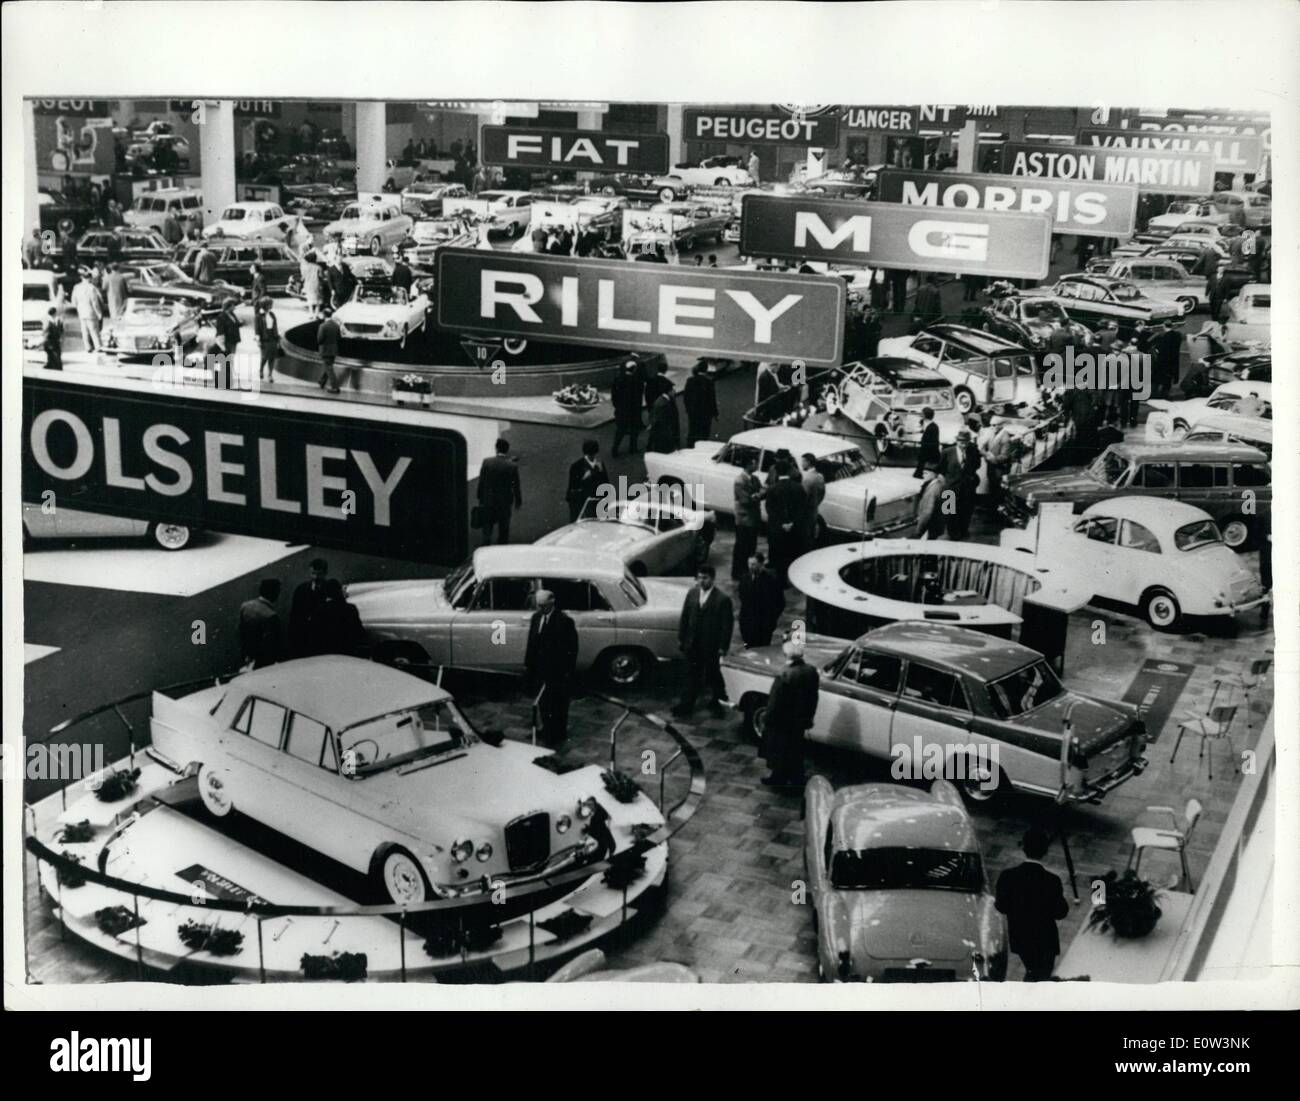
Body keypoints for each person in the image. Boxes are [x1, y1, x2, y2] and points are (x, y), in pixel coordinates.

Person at [995, 826, 1070, 981]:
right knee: (1040, 975)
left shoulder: (1007, 876)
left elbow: (1001, 906)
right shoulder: (1052, 881)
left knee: (1032, 970)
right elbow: (1061, 912)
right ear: (1046, 851)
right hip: (1045, 940)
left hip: (1021, 937)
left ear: (1023, 847)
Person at [672, 565, 734, 720]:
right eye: (699, 577)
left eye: (705, 578)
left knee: (713, 675)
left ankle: (718, 701)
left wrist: (722, 647)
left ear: (712, 579)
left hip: (711, 646)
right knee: (691, 675)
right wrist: (682, 637)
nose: (701, 581)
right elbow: (685, 616)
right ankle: (686, 705)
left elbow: (727, 626)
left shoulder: (722, 599)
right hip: (693, 644)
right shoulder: (692, 593)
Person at [761, 638, 820, 787]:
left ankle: (778, 778)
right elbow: (813, 697)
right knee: (795, 749)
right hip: (799, 719)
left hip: (782, 721)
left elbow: (775, 702)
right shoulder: (811, 671)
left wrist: (767, 719)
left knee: (780, 750)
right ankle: (796, 778)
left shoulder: (784, 675)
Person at [524, 589, 579, 745]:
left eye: (543, 606)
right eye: (538, 606)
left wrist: (567, 671)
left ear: (551, 603)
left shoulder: (564, 622)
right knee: (543, 702)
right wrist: (528, 664)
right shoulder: (536, 618)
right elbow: (531, 642)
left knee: (558, 704)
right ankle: (547, 728)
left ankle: (558, 733)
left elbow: (572, 649)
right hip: (539, 669)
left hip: (557, 672)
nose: (541, 609)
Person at [765, 459, 808, 584]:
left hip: (778, 528)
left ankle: (781, 580)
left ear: (777, 472)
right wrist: (792, 522)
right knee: (792, 552)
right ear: (789, 471)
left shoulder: (772, 489)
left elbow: (769, 509)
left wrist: (781, 523)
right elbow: (802, 508)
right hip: (795, 527)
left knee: (779, 553)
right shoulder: (798, 488)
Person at [476, 438, 522, 544]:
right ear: (507, 450)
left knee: (487, 528)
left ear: (496, 448)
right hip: (505, 501)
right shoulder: (512, 465)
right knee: (503, 529)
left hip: (488, 499)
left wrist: (480, 496)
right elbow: (516, 485)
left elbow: (482, 481)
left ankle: (485, 548)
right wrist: (518, 501)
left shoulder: (487, 462)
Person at [940, 428, 981, 539]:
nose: (963, 444)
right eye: (961, 441)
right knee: (949, 513)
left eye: (966, 441)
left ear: (969, 441)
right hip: (950, 488)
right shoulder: (947, 452)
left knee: (966, 511)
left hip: (967, 487)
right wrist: (949, 479)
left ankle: (963, 531)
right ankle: (951, 534)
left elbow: (977, 465)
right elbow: (940, 468)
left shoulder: (973, 452)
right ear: (957, 441)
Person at [738, 553, 784, 648]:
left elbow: (780, 603)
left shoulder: (771, 580)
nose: (750, 567)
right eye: (749, 564)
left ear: (761, 564)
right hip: (748, 623)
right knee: (748, 648)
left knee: (762, 649)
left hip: (764, 625)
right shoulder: (744, 579)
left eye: (753, 564)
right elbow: (742, 598)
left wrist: (771, 620)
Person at [288, 558, 332, 657]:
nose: (315, 577)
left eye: (319, 574)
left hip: (323, 641)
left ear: (325, 573)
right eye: (313, 573)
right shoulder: (300, 589)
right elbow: (293, 617)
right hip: (303, 640)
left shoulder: (331, 590)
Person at [311, 579, 365, 657]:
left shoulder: (319, 611)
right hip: (347, 651)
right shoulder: (350, 609)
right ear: (339, 591)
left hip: (326, 652)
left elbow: (315, 636)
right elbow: (358, 631)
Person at [731, 454, 765, 580]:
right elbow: (745, 500)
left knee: (751, 545)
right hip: (744, 519)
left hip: (753, 517)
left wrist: (756, 495)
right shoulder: (740, 481)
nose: (756, 465)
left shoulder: (754, 479)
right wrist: (757, 496)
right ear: (749, 464)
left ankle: (747, 570)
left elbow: (762, 491)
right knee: (741, 546)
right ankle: (738, 572)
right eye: (755, 463)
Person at [239, 578, 284, 669]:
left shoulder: (245, 606)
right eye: (278, 591)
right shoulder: (271, 616)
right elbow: (270, 647)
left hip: (248, 659)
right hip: (263, 664)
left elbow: (240, 633)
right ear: (274, 593)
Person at [565, 439, 608, 522]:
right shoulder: (577, 466)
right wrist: (585, 478)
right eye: (590, 455)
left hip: (596, 499)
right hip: (583, 501)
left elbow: (605, 481)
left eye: (593, 454)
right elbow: (573, 486)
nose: (592, 457)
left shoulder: (599, 464)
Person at [610, 359, 645, 456]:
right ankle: (632, 448)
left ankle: (615, 448)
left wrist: (616, 405)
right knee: (634, 430)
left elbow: (613, 394)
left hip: (621, 409)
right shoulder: (637, 381)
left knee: (620, 429)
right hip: (633, 410)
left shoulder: (618, 379)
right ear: (634, 369)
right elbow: (638, 397)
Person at [682, 360, 718, 446]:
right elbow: (712, 399)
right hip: (705, 412)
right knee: (704, 431)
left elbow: (686, 396)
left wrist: (688, 408)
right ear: (706, 370)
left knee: (693, 429)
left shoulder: (690, 380)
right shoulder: (709, 382)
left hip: (693, 411)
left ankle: (690, 446)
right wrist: (715, 413)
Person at [70, 270, 105, 353]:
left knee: (84, 331)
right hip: (91, 313)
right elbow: (94, 302)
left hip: (81, 312)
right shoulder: (91, 288)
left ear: (82, 278)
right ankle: (98, 347)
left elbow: (73, 301)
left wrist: (78, 307)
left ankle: (87, 347)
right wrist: (99, 313)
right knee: (94, 330)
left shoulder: (76, 287)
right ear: (90, 278)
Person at [910, 461, 947, 539]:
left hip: (930, 527)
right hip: (937, 526)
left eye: (926, 473)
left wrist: (918, 531)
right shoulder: (941, 485)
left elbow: (927, 512)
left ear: (933, 474)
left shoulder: (932, 489)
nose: (923, 475)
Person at [799, 452, 825, 553]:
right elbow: (822, 494)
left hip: (806, 513)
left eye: (803, 462)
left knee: (805, 539)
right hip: (814, 510)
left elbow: (803, 499)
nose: (802, 464)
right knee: (812, 537)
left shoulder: (807, 479)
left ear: (808, 462)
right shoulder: (820, 476)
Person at [1153, 319, 1183, 400]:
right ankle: (1165, 395)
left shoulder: (1163, 337)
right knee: (1168, 380)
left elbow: (1159, 348)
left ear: (1164, 326)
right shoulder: (1177, 336)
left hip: (1163, 361)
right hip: (1173, 361)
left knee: (1158, 379)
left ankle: (1156, 395)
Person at [646, 385, 681, 454]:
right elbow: (662, 421)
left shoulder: (661, 400)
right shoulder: (663, 403)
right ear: (669, 392)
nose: (675, 392)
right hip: (664, 434)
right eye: (673, 390)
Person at [254, 297, 279, 382]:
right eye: (270, 304)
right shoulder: (258, 316)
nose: (272, 306)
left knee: (272, 357)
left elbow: (275, 326)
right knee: (264, 357)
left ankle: (270, 375)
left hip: (273, 337)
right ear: (266, 305)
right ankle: (261, 370)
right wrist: (258, 341)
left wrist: (277, 338)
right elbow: (257, 330)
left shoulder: (272, 314)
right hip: (264, 338)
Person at [912, 405, 941, 477]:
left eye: (922, 414)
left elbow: (933, 439)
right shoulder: (928, 424)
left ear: (925, 415)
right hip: (926, 446)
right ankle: (918, 473)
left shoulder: (933, 427)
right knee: (922, 460)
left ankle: (919, 473)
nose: (921, 415)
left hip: (929, 446)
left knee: (932, 461)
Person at [317, 307, 341, 393]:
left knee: (329, 368)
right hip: (333, 350)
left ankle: (335, 387)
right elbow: (339, 337)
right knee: (328, 366)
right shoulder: (336, 325)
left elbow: (320, 339)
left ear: (324, 315)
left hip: (325, 350)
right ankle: (322, 381)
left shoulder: (322, 326)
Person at [42, 306, 64, 371]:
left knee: (53, 352)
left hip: (51, 338)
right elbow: (60, 329)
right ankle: (54, 364)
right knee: (53, 352)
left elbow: (45, 330)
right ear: (54, 313)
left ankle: (56, 365)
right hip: (52, 338)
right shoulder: (53, 320)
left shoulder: (49, 320)